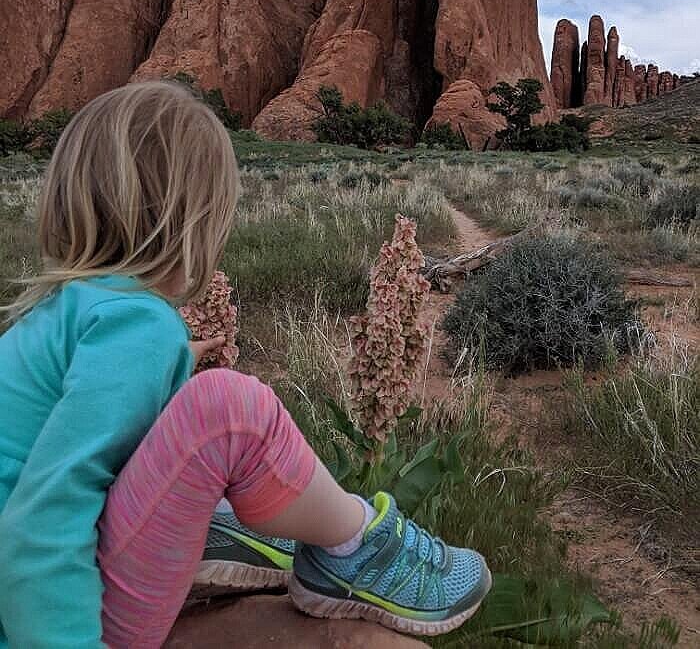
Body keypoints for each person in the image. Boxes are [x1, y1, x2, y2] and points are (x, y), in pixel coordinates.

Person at [0, 81, 491, 647]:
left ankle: (228, 530)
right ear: (196, 223)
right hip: (46, 625)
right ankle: (357, 546)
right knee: (230, 410)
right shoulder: (139, 327)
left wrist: (170, 363)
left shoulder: (59, 313)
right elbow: (35, 529)